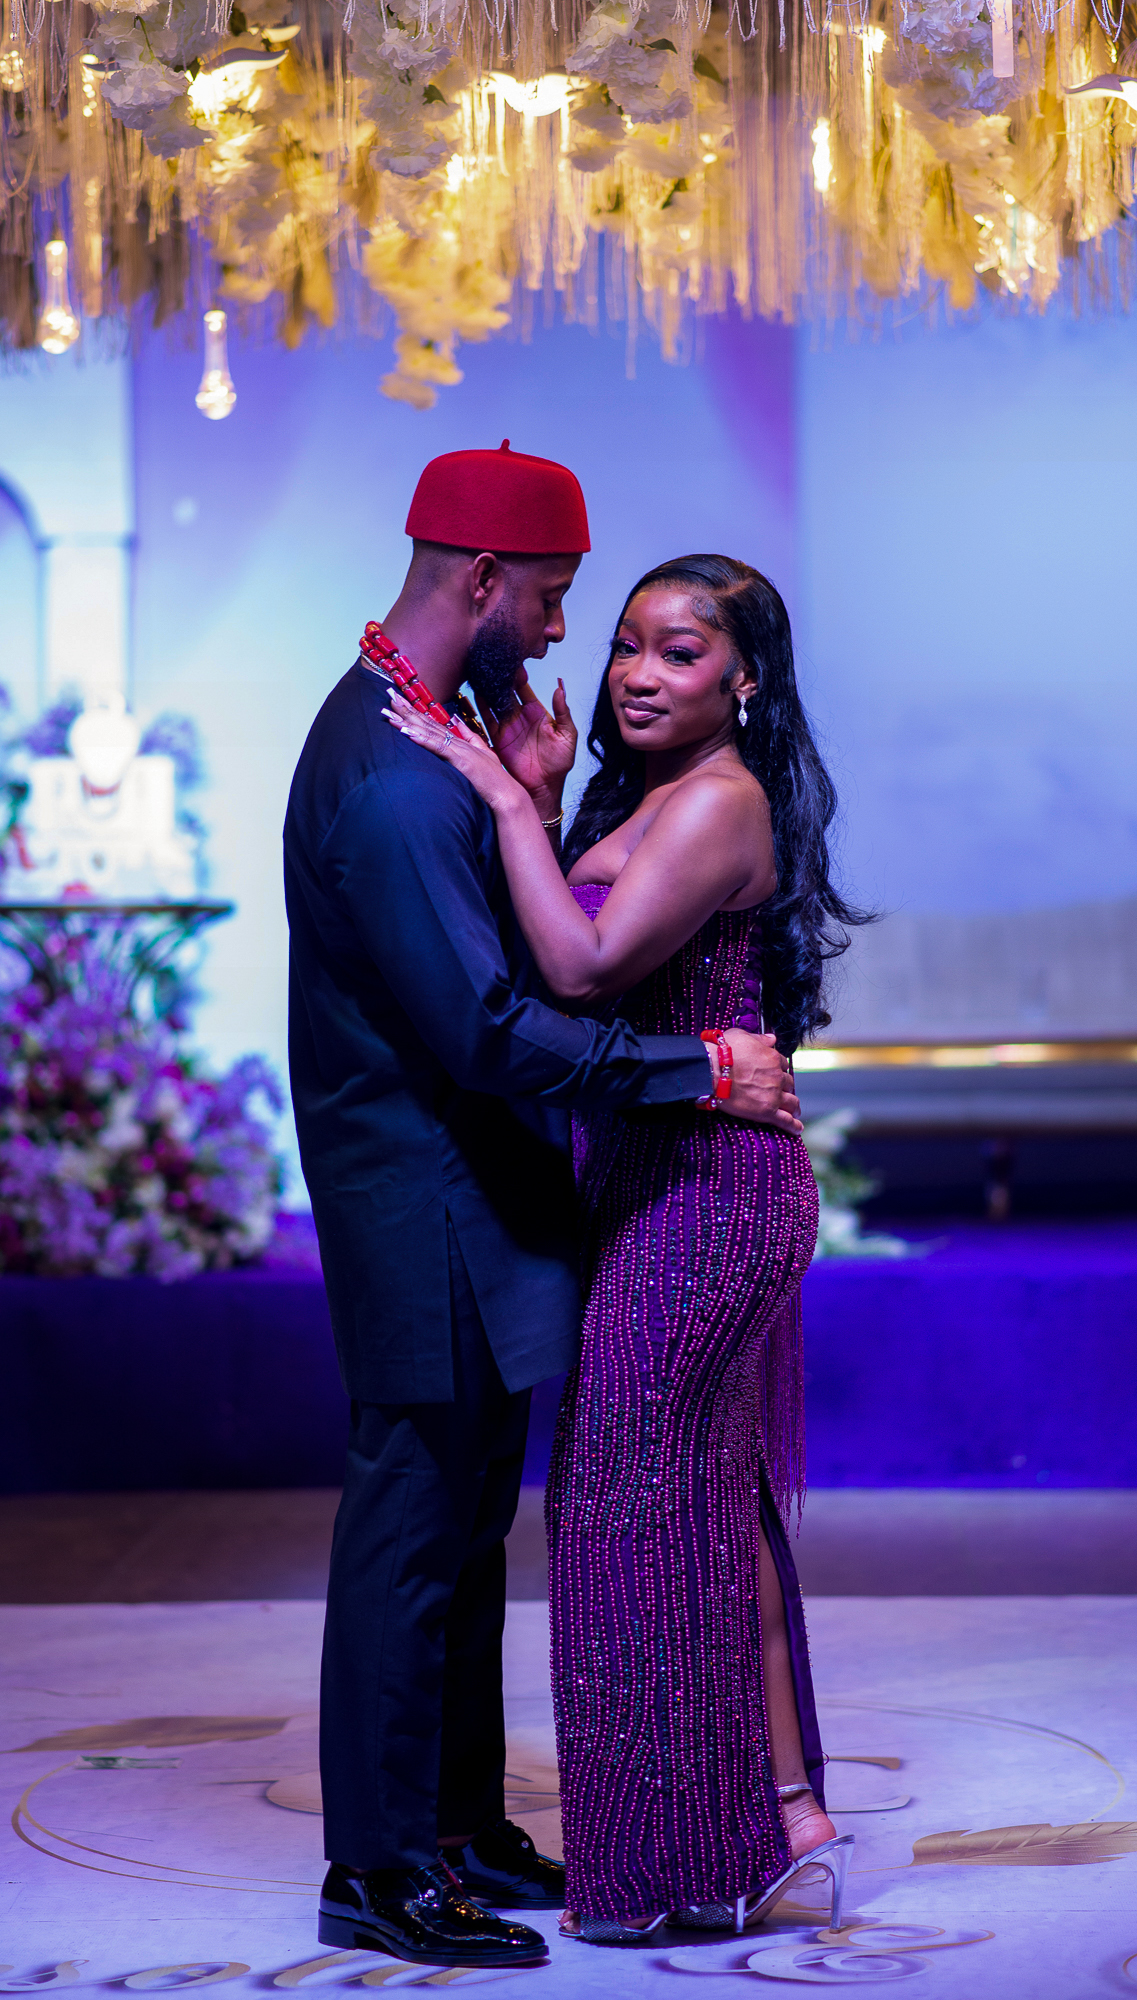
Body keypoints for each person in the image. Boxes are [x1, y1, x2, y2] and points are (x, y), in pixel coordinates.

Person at [284, 453, 801, 1973]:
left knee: (460, 1535)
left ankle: (453, 1823)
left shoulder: (432, 729)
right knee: (410, 1533)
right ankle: (377, 1865)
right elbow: (496, 1029)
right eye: (561, 602)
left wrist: (539, 789)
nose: (570, 636)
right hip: (424, 1200)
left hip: (473, 1196)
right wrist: (697, 1066)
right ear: (481, 586)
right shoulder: (385, 773)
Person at [385, 553, 866, 1944]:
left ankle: (678, 1857)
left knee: (628, 1507)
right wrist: (538, 800)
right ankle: (783, 1817)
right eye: (627, 649)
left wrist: (494, 798)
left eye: (682, 654)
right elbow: (553, 969)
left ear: (746, 683)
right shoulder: (647, 795)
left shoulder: (719, 802)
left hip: (708, 1196)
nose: (640, 675)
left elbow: (584, 976)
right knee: (706, 1500)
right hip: (662, 1178)